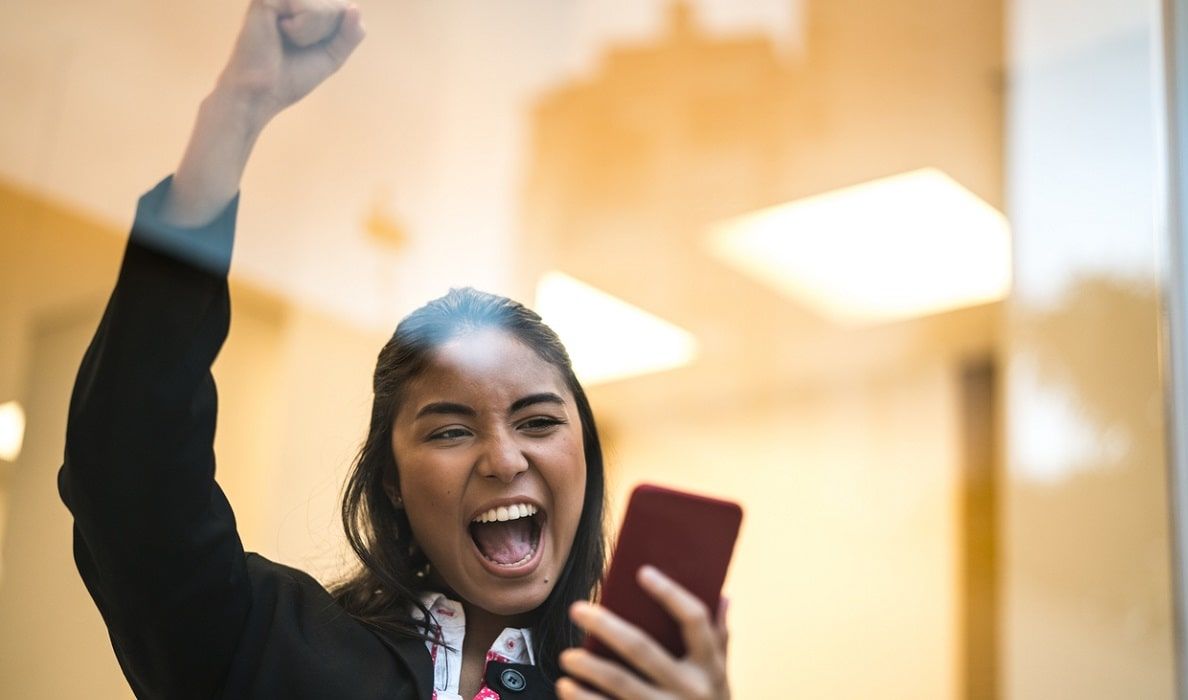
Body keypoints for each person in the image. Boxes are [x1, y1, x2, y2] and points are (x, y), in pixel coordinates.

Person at [58, 0, 732, 698]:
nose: (504, 458)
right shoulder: (266, 646)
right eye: (449, 429)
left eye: (538, 421)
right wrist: (238, 110)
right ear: (392, 481)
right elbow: (129, 473)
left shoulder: (626, 691)